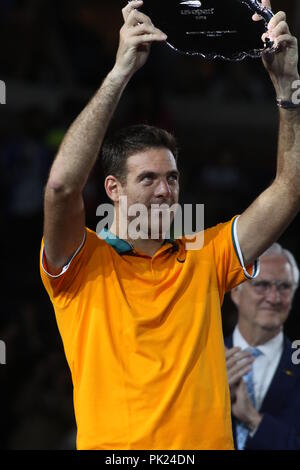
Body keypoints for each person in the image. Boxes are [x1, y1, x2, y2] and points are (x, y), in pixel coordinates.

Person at [40, 0, 300, 450]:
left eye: (172, 178)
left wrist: (289, 91)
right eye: (148, 179)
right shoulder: (81, 265)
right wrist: (120, 73)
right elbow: (62, 186)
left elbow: (290, 192)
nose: (165, 191)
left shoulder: (207, 256)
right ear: (113, 190)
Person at [225, 244, 300, 450]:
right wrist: (213, 397)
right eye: (262, 285)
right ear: (236, 293)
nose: (274, 298)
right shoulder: (199, 358)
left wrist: (254, 420)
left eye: (284, 287)